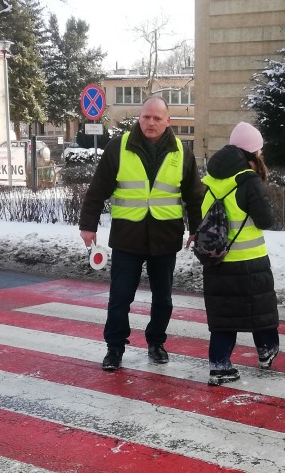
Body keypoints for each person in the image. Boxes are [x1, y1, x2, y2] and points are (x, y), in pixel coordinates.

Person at [79, 97, 202, 371]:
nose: (151, 122)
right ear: (139, 117)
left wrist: (196, 228)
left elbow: (195, 196)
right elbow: (98, 189)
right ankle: (115, 348)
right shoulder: (119, 147)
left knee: (163, 298)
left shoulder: (182, 152)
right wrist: (88, 225)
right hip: (128, 237)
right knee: (120, 297)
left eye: (157, 118)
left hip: (165, 238)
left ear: (168, 121)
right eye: (146, 117)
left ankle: (156, 343)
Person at [199, 122, 280, 385]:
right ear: (253, 154)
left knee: (224, 317)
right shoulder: (249, 181)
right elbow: (265, 220)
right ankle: (267, 350)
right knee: (261, 309)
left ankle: (219, 365)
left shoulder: (209, 180)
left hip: (217, 261)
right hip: (249, 261)